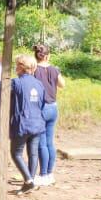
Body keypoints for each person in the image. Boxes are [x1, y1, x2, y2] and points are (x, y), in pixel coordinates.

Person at [9, 54, 46, 194]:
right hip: (38, 123)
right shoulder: (39, 84)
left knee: (15, 153)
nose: (15, 67)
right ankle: (30, 182)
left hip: (23, 124)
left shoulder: (17, 82)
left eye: (17, 64)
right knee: (33, 154)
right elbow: (41, 103)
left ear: (22, 67)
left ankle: (29, 181)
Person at [32, 43, 65, 187]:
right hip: (53, 107)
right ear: (48, 55)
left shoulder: (33, 70)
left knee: (41, 143)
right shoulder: (54, 69)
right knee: (50, 142)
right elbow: (62, 85)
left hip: (41, 108)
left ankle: (43, 174)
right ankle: (50, 174)